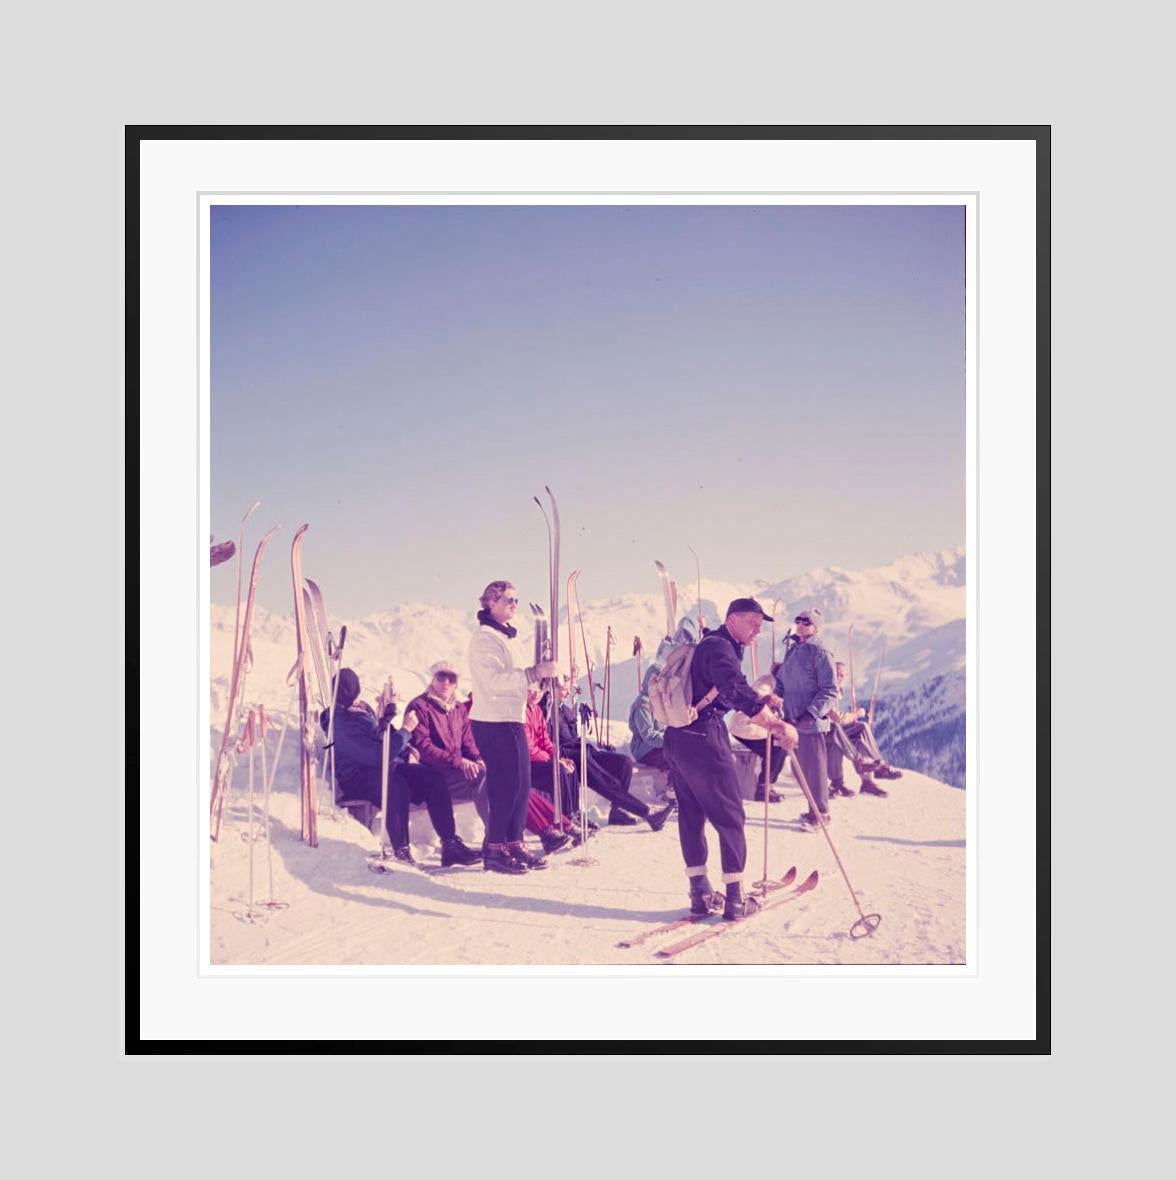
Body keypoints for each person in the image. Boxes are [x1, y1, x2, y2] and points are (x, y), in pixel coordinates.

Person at [662, 598, 798, 921]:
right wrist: (775, 724)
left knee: (691, 816)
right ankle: (735, 901)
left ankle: (699, 893)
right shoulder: (721, 648)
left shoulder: (710, 645)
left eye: (760, 626)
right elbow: (735, 689)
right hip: (704, 738)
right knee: (731, 816)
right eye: (752, 623)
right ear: (732, 619)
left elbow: (722, 688)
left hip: (678, 737)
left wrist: (760, 701)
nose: (757, 631)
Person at [322, 668, 481, 868]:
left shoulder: (360, 709)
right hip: (358, 776)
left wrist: (401, 743)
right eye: (350, 696)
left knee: (432, 777)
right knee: (395, 785)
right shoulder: (340, 723)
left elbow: (380, 737)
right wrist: (406, 730)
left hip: (385, 765)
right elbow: (377, 756)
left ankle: (450, 844)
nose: (355, 699)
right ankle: (401, 849)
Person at [467, 580, 562, 873]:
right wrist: (533, 673)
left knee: (521, 784)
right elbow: (494, 681)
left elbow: (515, 678)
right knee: (506, 785)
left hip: (511, 716)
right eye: (508, 599)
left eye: (516, 600)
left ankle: (514, 842)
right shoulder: (485, 639)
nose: (513, 605)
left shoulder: (507, 638)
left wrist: (530, 688)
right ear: (490, 602)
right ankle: (495, 848)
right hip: (493, 720)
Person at [557, 681, 674, 831]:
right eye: (564, 689)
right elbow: (551, 743)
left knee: (623, 763)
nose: (567, 692)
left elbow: (573, 737)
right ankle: (648, 813)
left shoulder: (565, 710)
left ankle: (616, 812)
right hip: (572, 757)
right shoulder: (548, 712)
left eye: (568, 689)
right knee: (608, 782)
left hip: (583, 750)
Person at [404, 660, 491, 831]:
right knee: (482, 776)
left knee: (490, 774)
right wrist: (459, 762)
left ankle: (500, 835)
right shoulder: (419, 706)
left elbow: (468, 743)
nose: (446, 683)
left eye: (451, 679)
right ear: (432, 679)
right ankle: (495, 837)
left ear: (456, 683)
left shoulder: (459, 709)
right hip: (430, 774)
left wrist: (477, 758)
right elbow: (423, 748)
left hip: (452, 771)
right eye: (441, 677)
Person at [772, 607, 839, 828]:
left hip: (810, 722)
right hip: (791, 719)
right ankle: (813, 810)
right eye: (798, 620)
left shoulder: (820, 652)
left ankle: (821, 814)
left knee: (814, 771)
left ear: (816, 627)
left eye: (806, 622)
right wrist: (775, 697)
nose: (801, 624)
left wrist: (811, 713)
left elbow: (830, 689)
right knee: (799, 771)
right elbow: (782, 682)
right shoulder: (793, 649)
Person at [826, 661, 903, 799]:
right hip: (824, 731)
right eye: (836, 673)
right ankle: (859, 772)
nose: (839, 677)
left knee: (862, 729)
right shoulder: (827, 689)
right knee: (842, 740)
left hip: (832, 730)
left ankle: (875, 769)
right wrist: (857, 714)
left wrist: (853, 716)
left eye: (842, 675)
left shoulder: (836, 690)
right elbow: (837, 718)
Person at [728, 675, 787, 802]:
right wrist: (766, 698)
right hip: (746, 726)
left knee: (778, 747)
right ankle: (764, 788)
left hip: (754, 727)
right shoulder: (770, 680)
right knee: (779, 747)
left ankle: (765, 786)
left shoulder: (788, 687)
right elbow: (758, 692)